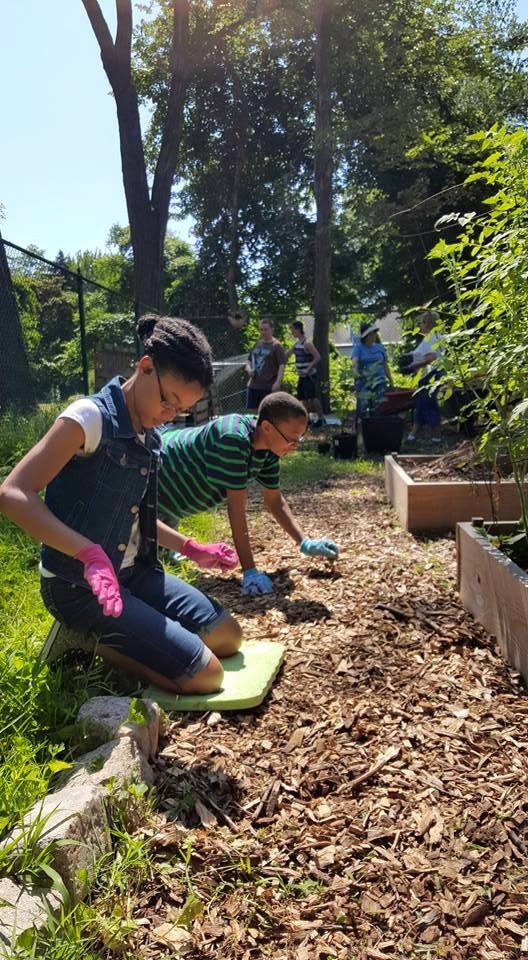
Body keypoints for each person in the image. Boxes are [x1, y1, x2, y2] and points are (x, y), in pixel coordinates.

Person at [0, 315, 243, 694]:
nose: (168, 414)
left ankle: (138, 629)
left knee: (228, 636)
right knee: (206, 675)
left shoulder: (150, 436)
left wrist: (190, 548)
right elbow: (13, 494)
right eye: (168, 400)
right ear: (145, 367)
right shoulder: (89, 418)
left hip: (136, 574)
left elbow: (133, 518)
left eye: (179, 409)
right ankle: (86, 640)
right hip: (78, 587)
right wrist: (89, 555)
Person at [158, 392, 339, 595]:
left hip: (174, 505)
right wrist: (250, 571)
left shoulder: (269, 449)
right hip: (154, 481)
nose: (295, 446)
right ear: (267, 427)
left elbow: (275, 501)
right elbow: (236, 510)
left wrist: (304, 542)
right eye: (291, 439)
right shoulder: (233, 439)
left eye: (299, 439)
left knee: (159, 548)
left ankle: (161, 549)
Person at [406, 310, 443, 443]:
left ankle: (436, 437)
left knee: (429, 404)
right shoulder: (437, 336)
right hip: (431, 374)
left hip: (429, 375)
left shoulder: (430, 338)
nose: (420, 325)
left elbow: (431, 358)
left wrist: (412, 366)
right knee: (421, 405)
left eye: (421, 322)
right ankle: (413, 434)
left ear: (428, 324)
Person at [286, 321, 324, 427]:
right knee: (302, 398)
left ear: (298, 329)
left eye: (292, 329)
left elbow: (318, 357)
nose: (292, 332)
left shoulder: (307, 343)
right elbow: (286, 355)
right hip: (301, 376)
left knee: (312, 397)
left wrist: (308, 368)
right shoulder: (296, 344)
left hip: (310, 375)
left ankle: (321, 419)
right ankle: (308, 419)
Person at [351, 321, 392, 417]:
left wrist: (390, 378)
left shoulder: (380, 347)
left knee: (379, 407)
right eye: (371, 334)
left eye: (374, 334)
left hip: (379, 381)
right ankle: (362, 428)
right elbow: (354, 364)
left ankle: (377, 427)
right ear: (365, 336)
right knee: (362, 408)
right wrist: (356, 375)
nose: (374, 336)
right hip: (364, 381)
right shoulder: (358, 348)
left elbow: (385, 365)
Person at [246, 318, 286, 412]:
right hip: (254, 385)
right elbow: (248, 361)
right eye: (261, 329)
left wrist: (278, 382)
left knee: (269, 411)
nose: (263, 332)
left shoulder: (277, 346)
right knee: (253, 409)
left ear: (272, 329)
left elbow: (282, 365)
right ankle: (259, 426)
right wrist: (249, 370)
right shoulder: (257, 343)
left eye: (266, 329)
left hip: (269, 386)